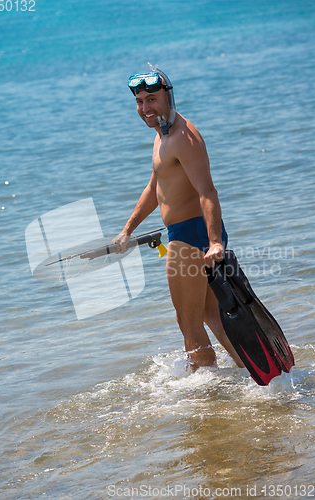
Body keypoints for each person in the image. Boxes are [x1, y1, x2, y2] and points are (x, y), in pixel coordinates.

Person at [113, 65, 244, 370]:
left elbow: (207, 191)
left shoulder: (183, 136)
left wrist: (214, 242)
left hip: (191, 236)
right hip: (191, 234)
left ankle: (204, 392)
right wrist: (127, 230)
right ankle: (255, 373)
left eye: (152, 99)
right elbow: (155, 185)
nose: (145, 108)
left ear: (168, 96)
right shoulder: (163, 134)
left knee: (188, 323)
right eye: (139, 101)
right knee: (212, 315)